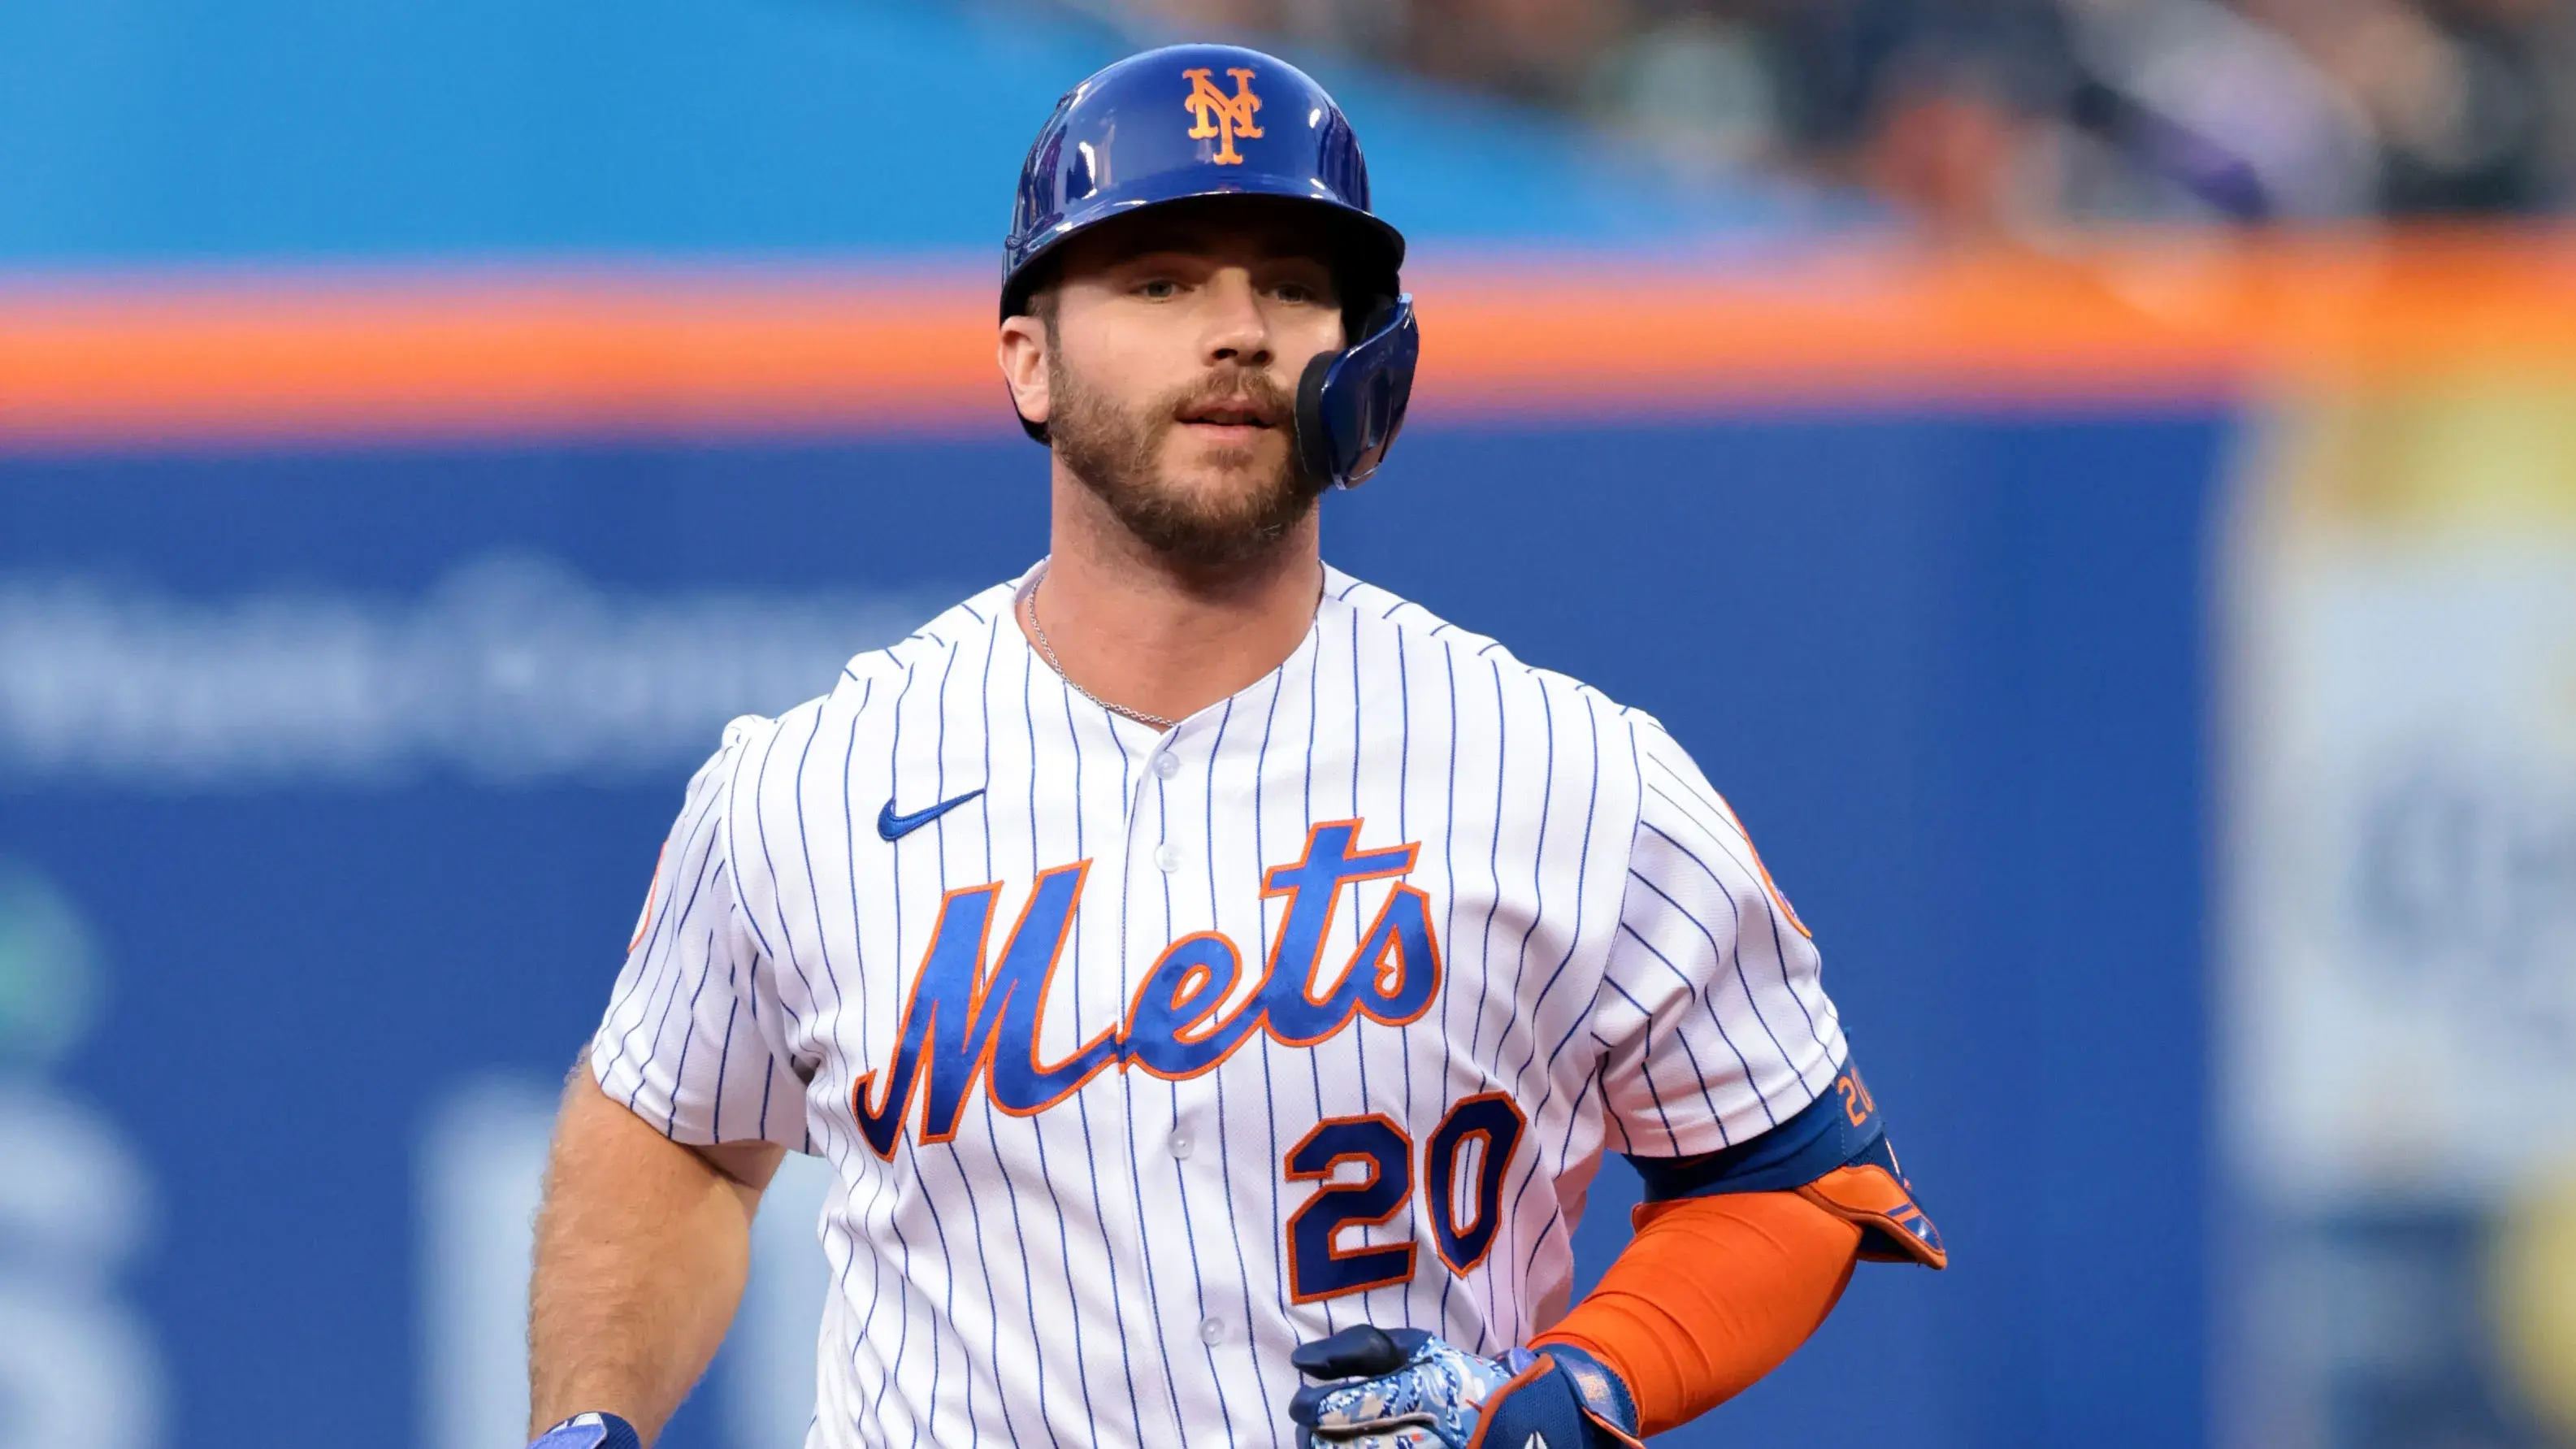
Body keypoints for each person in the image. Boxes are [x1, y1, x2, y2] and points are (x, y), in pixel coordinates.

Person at [523, 41, 1943, 1449]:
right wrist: (584, 1419)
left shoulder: (1572, 772)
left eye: (1290, 284)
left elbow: (1795, 1175)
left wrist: (1584, 1387)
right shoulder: (810, 784)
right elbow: (678, 1128)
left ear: (1363, 353)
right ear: (1027, 359)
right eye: (1158, 281)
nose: (1239, 330)